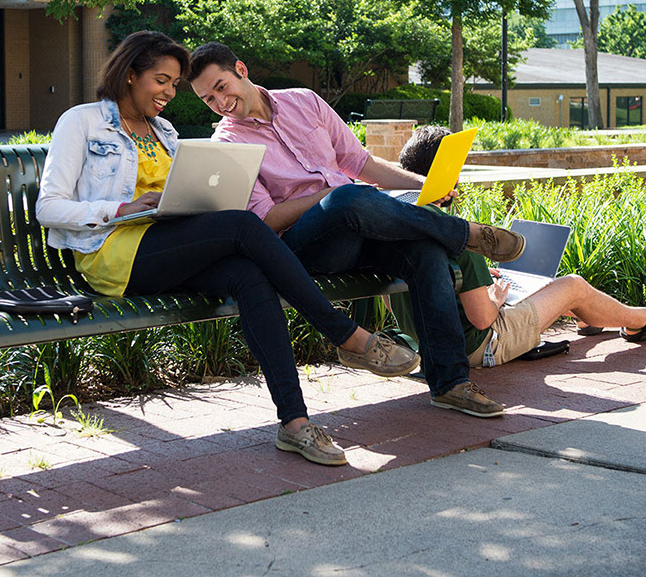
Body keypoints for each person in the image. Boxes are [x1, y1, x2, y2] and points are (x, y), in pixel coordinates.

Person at [35, 31, 420, 467]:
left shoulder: (165, 131)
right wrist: (121, 206)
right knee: (241, 226)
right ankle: (343, 333)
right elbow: (48, 207)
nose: (168, 92)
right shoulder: (82, 121)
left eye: (174, 84)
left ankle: (294, 424)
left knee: (248, 276)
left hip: (170, 244)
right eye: (161, 80)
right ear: (129, 75)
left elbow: (189, 194)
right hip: (115, 255)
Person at [187, 41, 527, 419]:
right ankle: (465, 235)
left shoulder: (305, 101)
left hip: (359, 229)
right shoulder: (228, 143)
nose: (219, 102)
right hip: (305, 247)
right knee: (346, 199)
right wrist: (330, 194)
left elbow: (358, 160)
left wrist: (420, 182)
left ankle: (450, 383)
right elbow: (265, 220)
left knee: (424, 254)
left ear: (241, 70)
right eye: (207, 99)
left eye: (221, 87)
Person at [394, 125, 646, 368]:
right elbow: (483, 319)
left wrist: (478, 281)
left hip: (422, 343)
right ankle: (643, 321)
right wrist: (493, 298)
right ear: (445, 174)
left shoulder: (388, 223)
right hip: (476, 348)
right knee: (573, 286)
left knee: (539, 286)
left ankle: (590, 316)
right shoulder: (458, 236)